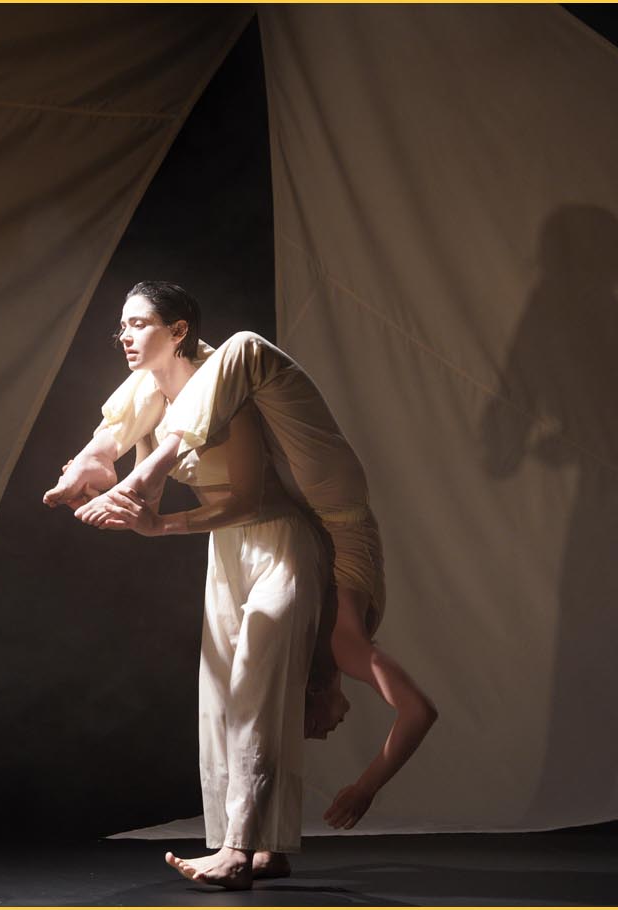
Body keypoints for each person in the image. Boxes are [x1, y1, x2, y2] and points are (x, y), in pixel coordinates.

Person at [44, 284, 437, 840]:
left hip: (322, 508)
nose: (328, 724)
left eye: (136, 324)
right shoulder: (343, 643)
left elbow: (412, 710)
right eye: (325, 720)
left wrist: (364, 785)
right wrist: (365, 786)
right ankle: (116, 464)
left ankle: (132, 469)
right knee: (217, 362)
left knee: (242, 348)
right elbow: (416, 709)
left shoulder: (339, 644)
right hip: (332, 510)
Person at [58, 282, 327, 889]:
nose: (125, 337)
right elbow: (130, 468)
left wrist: (158, 525)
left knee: (256, 689)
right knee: (221, 697)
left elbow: (249, 498)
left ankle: (236, 851)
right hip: (225, 550)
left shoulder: (227, 390)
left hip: (279, 542)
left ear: (179, 330)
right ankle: (267, 846)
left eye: (138, 324)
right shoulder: (151, 400)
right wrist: (95, 481)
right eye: (121, 327)